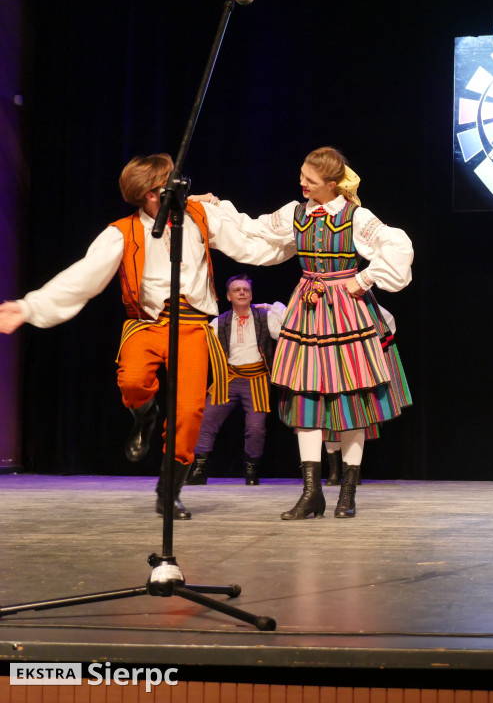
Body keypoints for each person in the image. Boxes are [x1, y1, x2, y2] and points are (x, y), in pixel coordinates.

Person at [0, 153, 285, 519]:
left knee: (188, 413)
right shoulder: (121, 233)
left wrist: (299, 240)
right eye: (172, 182)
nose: (183, 185)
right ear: (153, 194)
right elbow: (83, 277)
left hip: (193, 325)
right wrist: (28, 307)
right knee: (133, 380)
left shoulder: (200, 217)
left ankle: (169, 491)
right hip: (147, 323)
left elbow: (250, 244)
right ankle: (145, 416)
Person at [209, 146, 413, 520]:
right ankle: (311, 494)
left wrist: (364, 277)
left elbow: (397, 246)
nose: (302, 183)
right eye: (302, 175)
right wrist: (216, 208)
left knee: (352, 400)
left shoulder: (356, 216)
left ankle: (347, 493)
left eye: (310, 179)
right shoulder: (295, 213)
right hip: (309, 310)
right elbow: (253, 230)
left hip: (348, 313)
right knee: (305, 398)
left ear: (331, 184)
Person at [187, 274, 286, 487]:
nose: (242, 292)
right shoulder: (218, 322)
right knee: (206, 421)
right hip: (228, 378)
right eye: (237, 290)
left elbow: (287, 327)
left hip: (257, 379)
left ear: (251, 295)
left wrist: (272, 306)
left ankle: (251, 470)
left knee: (256, 428)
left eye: (246, 290)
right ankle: (200, 468)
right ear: (228, 296)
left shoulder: (265, 318)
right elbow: (198, 345)